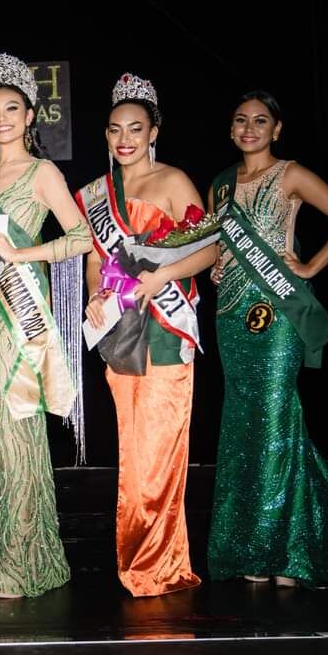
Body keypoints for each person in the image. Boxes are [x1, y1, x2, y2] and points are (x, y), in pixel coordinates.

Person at [206, 91, 328, 586]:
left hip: (277, 311)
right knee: (245, 428)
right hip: (231, 316)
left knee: (275, 420)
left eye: (260, 121)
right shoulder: (220, 186)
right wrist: (215, 266)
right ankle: (256, 548)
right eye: (240, 120)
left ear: (276, 130)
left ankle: (286, 550)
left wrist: (312, 264)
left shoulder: (290, 173)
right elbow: (217, 244)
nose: (249, 128)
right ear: (231, 130)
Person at [0, 53, 92, 599]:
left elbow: (80, 237)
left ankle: (21, 561)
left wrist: (20, 251)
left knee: (18, 429)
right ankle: (16, 557)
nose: (2, 118)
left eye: (13, 108)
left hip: (22, 313)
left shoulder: (43, 172)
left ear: (30, 115)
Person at [79, 72, 215, 597]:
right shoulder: (99, 191)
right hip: (119, 330)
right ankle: (142, 559)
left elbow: (210, 249)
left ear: (154, 131)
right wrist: (95, 292)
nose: (124, 139)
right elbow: (96, 257)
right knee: (133, 451)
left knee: (159, 449)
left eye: (135, 128)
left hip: (164, 324)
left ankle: (156, 565)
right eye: (115, 130)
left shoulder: (174, 181)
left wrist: (161, 276)